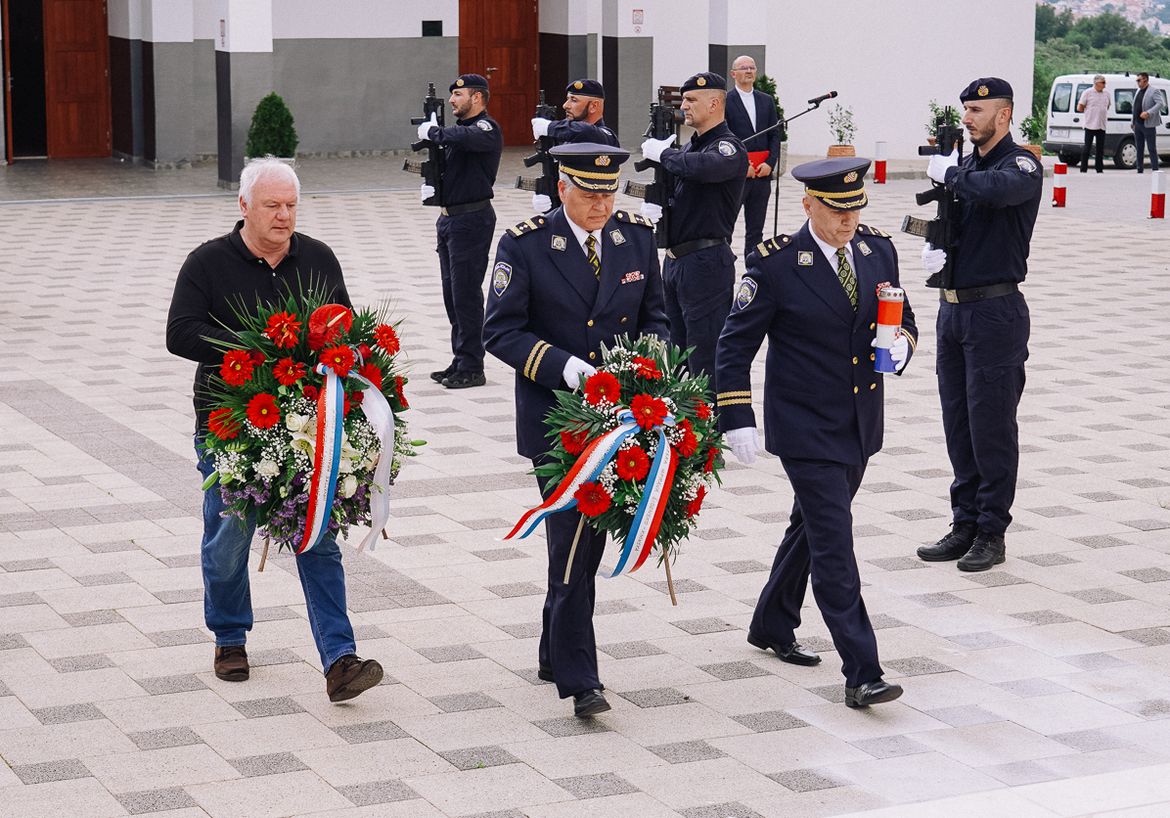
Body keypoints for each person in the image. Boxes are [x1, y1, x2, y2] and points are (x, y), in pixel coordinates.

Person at [165, 157, 383, 702]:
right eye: (272, 206)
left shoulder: (317, 257)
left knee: (318, 536)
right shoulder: (208, 262)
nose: (284, 216)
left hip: (309, 425)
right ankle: (230, 634)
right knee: (227, 537)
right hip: (229, 422)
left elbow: (344, 325)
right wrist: (255, 349)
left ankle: (340, 659)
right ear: (244, 206)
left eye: (290, 206)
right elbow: (179, 332)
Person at [715, 158, 917, 709]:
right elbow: (733, 347)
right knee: (834, 545)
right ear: (808, 205)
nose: (848, 219)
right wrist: (736, 415)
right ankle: (863, 671)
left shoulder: (878, 250)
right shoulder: (777, 264)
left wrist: (902, 346)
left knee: (810, 525)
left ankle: (772, 624)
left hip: (859, 422)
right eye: (836, 208)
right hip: (804, 427)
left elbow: (903, 316)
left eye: (856, 207)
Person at [483, 144, 668, 718]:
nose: (601, 204)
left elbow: (657, 315)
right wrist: (567, 367)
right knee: (571, 543)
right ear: (562, 186)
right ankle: (581, 679)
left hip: (620, 423)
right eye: (589, 193)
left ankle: (553, 650)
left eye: (609, 192)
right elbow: (500, 331)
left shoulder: (634, 237)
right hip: (557, 423)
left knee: (583, 546)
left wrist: (648, 359)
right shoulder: (526, 243)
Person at [917, 77, 1042, 572]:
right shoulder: (964, 166)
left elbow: (999, 192)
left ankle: (992, 530)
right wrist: (934, 245)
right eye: (966, 108)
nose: (968, 117)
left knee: (991, 425)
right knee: (958, 422)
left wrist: (950, 177)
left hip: (995, 312)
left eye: (977, 109)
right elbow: (961, 212)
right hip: (953, 309)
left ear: (1004, 114)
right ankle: (964, 521)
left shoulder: (1021, 164)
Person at [640, 71, 747, 382]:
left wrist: (664, 153)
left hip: (706, 263)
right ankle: (684, 426)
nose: (683, 106)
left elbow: (703, 170)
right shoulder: (689, 149)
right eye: (683, 99)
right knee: (676, 355)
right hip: (675, 261)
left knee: (705, 356)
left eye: (691, 100)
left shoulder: (727, 148)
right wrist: (656, 201)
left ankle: (711, 427)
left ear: (714, 103)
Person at [417, 73, 504, 388]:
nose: (453, 100)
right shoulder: (459, 132)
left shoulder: (485, 128)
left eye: (459, 94)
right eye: (451, 95)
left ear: (477, 98)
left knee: (466, 294)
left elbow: (465, 138)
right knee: (452, 295)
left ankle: (472, 367)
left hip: (472, 220)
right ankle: (460, 359)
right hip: (449, 219)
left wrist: (436, 131)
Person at [530, 79, 620, 214]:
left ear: (593, 106)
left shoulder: (604, 136)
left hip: (591, 211)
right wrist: (544, 189)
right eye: (567, 99)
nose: (565, 105)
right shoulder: (567, 134)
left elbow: (585, 131)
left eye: (574, 100)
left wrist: (549, 127)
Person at [725, 56, 781, 257]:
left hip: (762, 173)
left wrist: (770, 163)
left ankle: (753, 270)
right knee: (726, 226)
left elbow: (775, 134)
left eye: (752, 67)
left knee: (756, 229)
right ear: (733, 74)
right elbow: (725, 137)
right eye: (743, 68)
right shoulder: (726, 101)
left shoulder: (766, 100)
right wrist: (740, 165)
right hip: (738, 174)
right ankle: (724, 268)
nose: (748, 71)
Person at [1077, 75, 1110, 173]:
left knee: (1100, 149)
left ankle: (1099, 169)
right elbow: (1080, 107)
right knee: (1087, 148)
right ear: (1096, 83)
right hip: (1090, 124)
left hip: (1101, 124)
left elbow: (1107, 106)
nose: (1104, 84)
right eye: (1103, 82)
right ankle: (1083, 169)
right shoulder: (1087, 93)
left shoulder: (1107, 94)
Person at [1132, 72, 1163, 173]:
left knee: (1151, 148)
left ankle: (1155, 170)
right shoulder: (1138, 91)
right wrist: (1133, 121)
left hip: (1148, 124)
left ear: (1145, 80)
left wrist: (1148, 113)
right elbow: (1135, 107)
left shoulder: (1154, 91)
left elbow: (1160, 103)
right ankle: (1139, 169)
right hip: (1138, 124)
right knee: (1139, 148)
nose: (1137, 82)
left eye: (1139, 80)